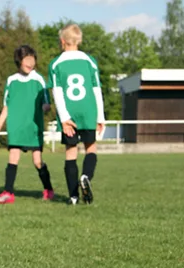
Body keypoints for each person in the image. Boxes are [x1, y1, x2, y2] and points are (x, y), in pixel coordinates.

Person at [48, 24, 105, 205]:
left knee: (71, 152)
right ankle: (86, 176)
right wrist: (100, 117)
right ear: (78, 40)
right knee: (91, 148)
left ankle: (73, 197)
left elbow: (57, 93)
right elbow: (97, 90)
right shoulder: (90, 61)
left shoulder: (56, 63)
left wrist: (64, 118)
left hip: (69, 113)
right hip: (89, 110)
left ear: (62, 41)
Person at [0, 45, 54, 204]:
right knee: (13, 157)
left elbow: (46, 100)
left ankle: (48, 189)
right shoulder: (11, 80)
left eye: (32, 60)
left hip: (33, 126)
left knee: (37, 161)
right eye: (27, 60)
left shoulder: (39, 79)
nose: (30, 63)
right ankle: (8, 192)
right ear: (19, 61)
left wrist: (45, 106)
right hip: (16, 126)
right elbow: (7, 104)